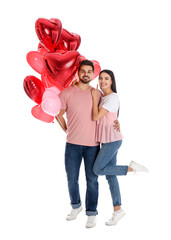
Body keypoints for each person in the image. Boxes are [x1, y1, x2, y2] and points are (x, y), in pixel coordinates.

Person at [55, 60, 120, 228]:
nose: (86, 74)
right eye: (83, 71)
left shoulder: (97, 94)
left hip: (93, 145)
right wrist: (67, 131)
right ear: (78, 73)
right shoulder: (67, 93)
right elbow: (58, 114)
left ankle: (91, 213)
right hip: (72, 145)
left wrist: (118, 122)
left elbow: (109, 111)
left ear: (93, 74)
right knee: (72, 179)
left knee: (92, 179)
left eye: (89, 72)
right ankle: (75, 206)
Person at [91, 69, 148, 226]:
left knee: (97, 170)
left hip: (112, 141)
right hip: (107, 140)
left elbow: (96, 116)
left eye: (106, 79)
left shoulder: (113, 97)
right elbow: (110, 117)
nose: (103, 81)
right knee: (110, 176)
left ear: (111, 81)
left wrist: (93, 97)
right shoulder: (103, 97)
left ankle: (131, 168)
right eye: (101, 78)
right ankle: (118, 210)